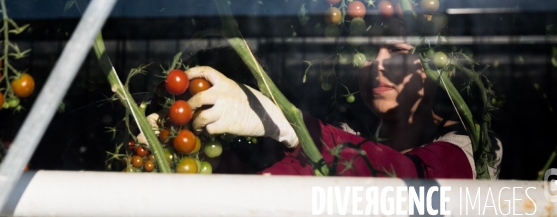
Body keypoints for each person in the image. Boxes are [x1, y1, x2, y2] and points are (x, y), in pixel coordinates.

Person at [186, 41, 501, 179]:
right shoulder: (348, 134)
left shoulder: (473, 146)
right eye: (365, 52)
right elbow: (283, 184)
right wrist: (195, 154)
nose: (377, 65)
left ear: (436, 70)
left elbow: (414, 179)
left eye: (397, 52)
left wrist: (285, 122)